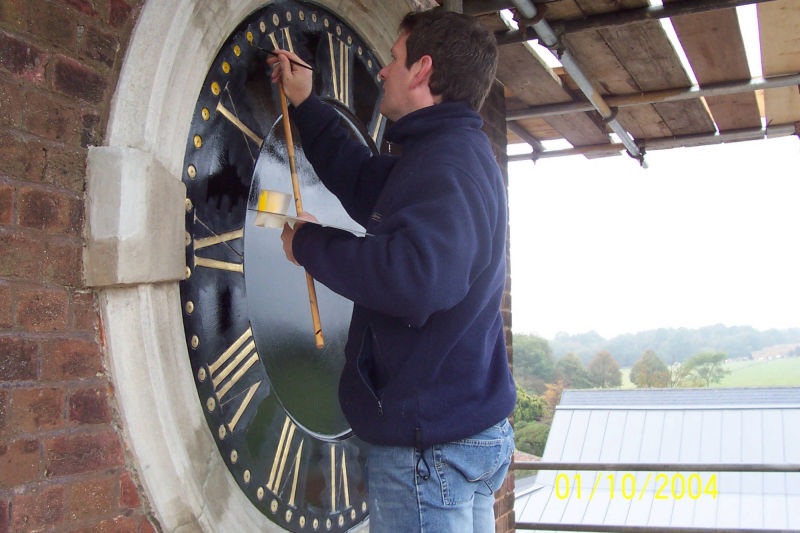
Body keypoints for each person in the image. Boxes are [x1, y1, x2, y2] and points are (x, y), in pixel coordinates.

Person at [269, 8, 515, 532]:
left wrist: (308, 243)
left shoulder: (447, 164)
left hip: (429, 450)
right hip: (459, 435)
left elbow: (413, 280)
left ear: (422, 70)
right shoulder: (446, 155)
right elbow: (362, 179)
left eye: (395, 58)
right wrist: (306, 104)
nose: (383, 70)